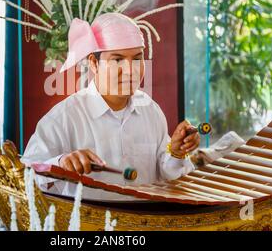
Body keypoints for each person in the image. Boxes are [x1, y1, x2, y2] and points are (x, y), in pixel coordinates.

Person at [21, 12, 200, 201]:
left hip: (147, 221)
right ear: (93, 63)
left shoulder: (151, 110)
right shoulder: (63, 118)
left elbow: (167, 172)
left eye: (137, 58)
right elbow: (24, 175)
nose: (131, 70)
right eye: (117, 60)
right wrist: (60, 163)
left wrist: (177, 153)